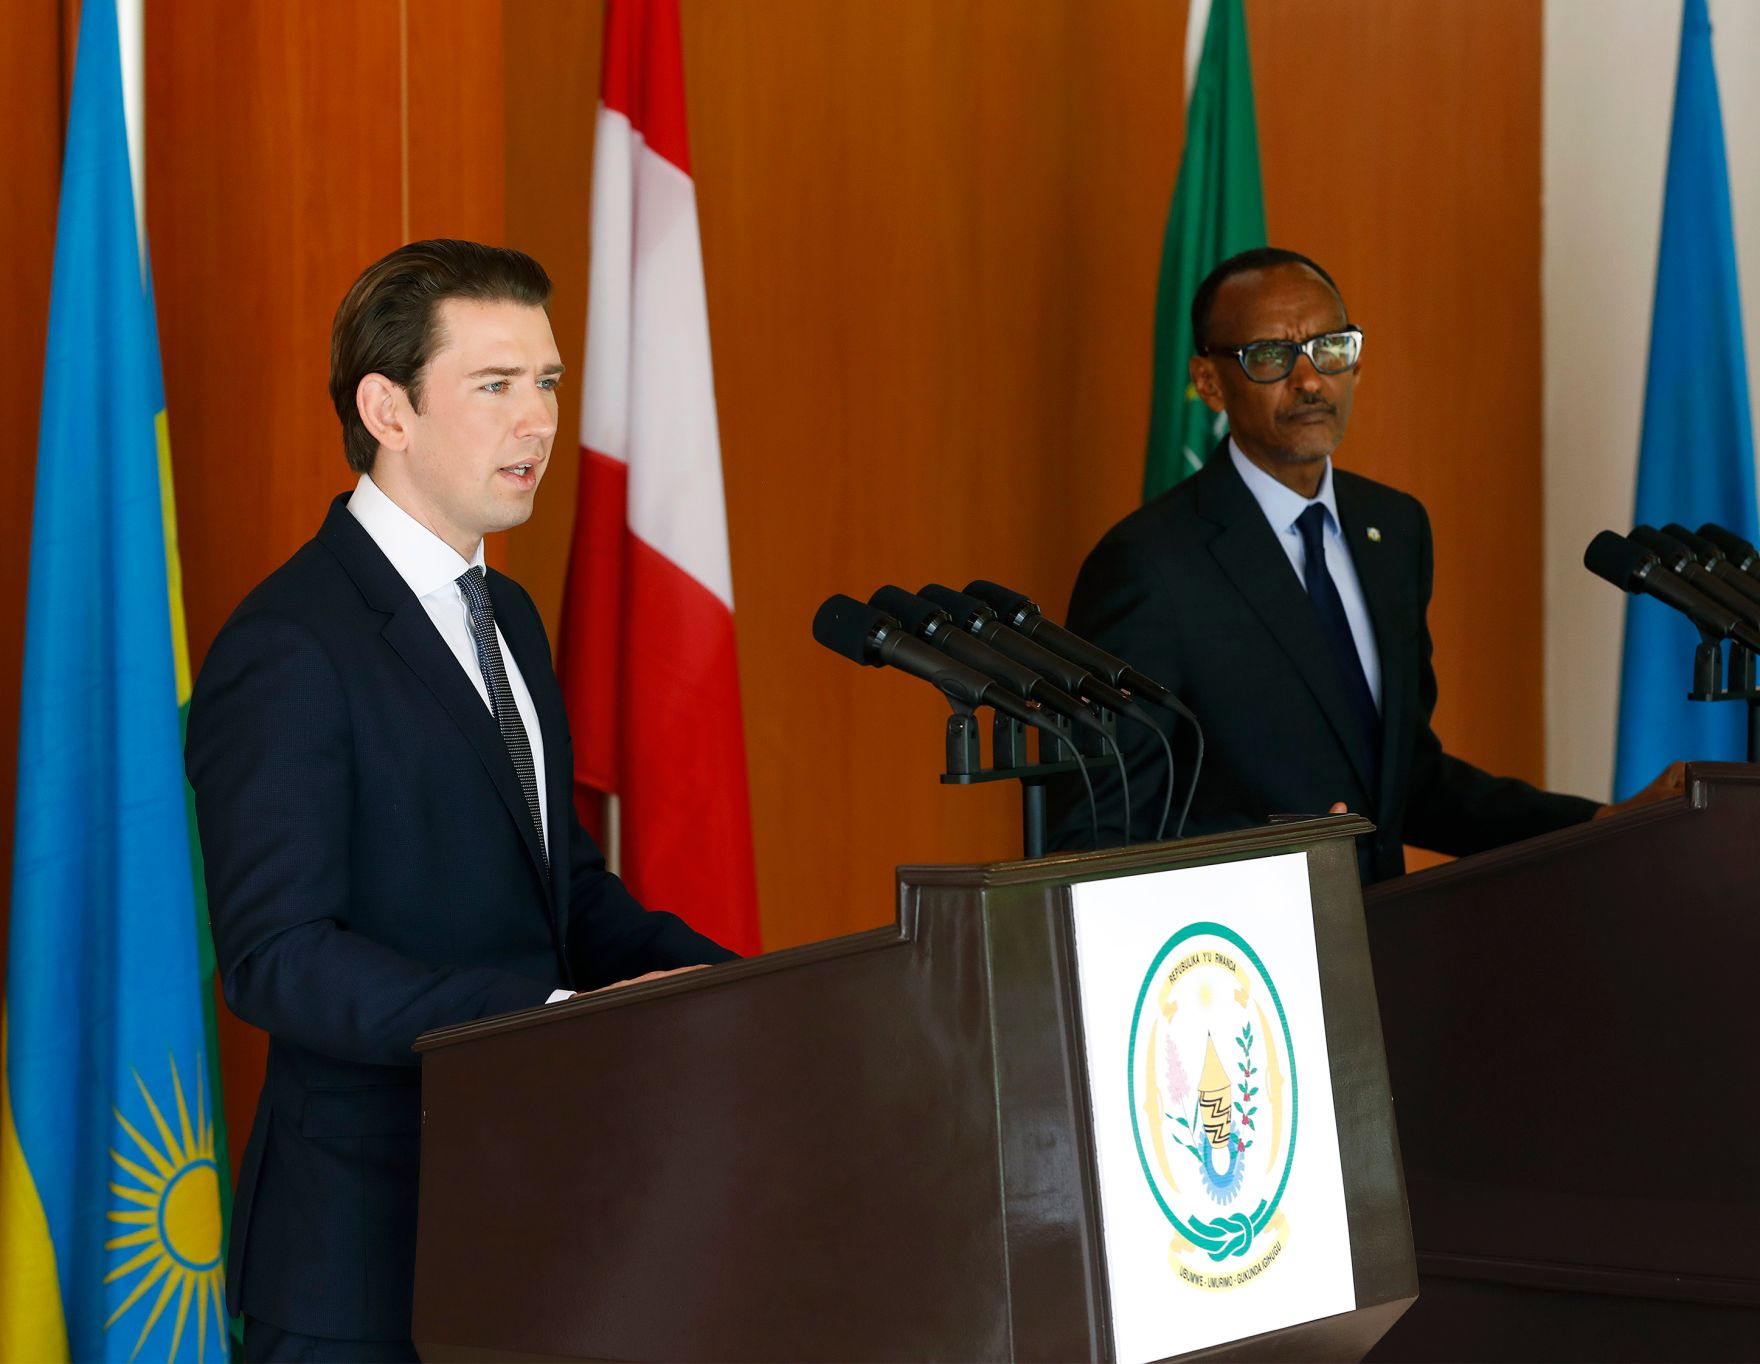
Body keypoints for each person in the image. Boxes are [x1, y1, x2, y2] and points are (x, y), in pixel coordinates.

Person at [186, 240, 736, 1361]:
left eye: (545, 383)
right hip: (366, 1254)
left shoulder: (511, 613)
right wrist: (530, 1018)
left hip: (535, 1226)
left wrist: (730, 988)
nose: (535, 422)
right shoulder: (288, 643)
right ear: (385, 407)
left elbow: (559, 879)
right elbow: (277, 955)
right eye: (493, 387)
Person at [1050, 246, 1682, 877]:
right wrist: (1272, 860)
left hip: (1388, 944)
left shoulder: (1396, 529)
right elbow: (1101, 831)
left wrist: (1601, 824)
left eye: (1330, 348)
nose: (1309, 380)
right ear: (1210, 383)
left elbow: (1405, 780)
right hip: (1242, 964)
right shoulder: (1150, 564)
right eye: (1270, 356)